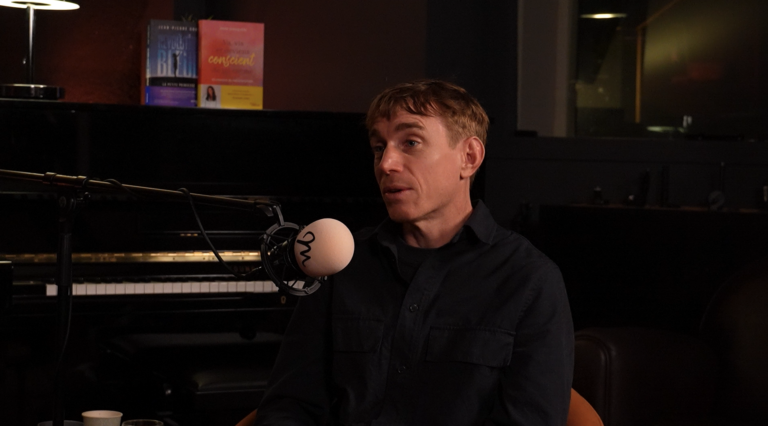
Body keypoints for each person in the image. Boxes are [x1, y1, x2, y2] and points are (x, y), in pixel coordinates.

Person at [254, 80, 574, 426]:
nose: (386, 164)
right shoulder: (340, 264)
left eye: (411, 142)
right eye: (379, 148)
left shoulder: (529, 280)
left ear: (469, 157)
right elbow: (288, 406)